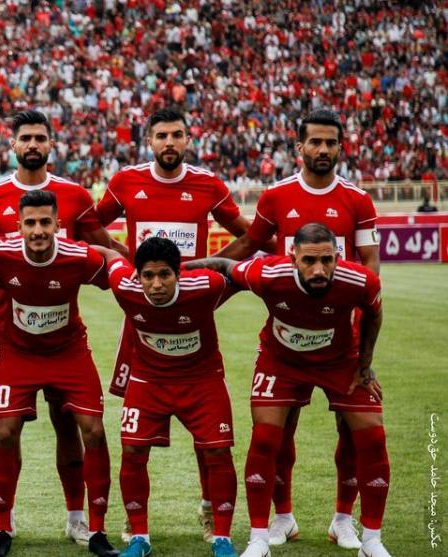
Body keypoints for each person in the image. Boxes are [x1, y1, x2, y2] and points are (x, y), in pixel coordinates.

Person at [215, 109, 381, 549]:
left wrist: (360, 339)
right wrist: (201, 294)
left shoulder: (358, 200)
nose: (323, 149)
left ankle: (343, 520)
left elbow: (369, 269)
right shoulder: (276, 196)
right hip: (287, 335)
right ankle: (282, 518)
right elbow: (248, 247)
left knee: (351, 429)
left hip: (341, 339)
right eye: (315, 142)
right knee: (279, 430)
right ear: (299, 147)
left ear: (340, 147)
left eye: (331, 142)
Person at [95, 107, 253, 543]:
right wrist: (128, 260)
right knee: (136, 434)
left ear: (188, 139)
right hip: (144, 313)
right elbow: (88, 225)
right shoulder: (126, 181)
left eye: (177, 134)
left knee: (208, 436)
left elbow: (250, 235)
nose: (169, 142)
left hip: (192, 306)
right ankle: (136, 521)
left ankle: (210, 509)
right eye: (161, 135)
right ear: (149, 140)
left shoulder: (207, 185)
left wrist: (206, 269)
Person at [188, 223, 390, 557]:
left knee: (373, 437)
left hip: (340, 361)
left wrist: (364, 366)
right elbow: (225, 266)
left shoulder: (359, 280)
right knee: (266, 438)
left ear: (338, 257)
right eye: (309, 260)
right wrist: (177, 270)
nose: (319, 269)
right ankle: (259, 539)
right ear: (292, 257)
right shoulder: (268, 274)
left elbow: (374, 314)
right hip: (281, 361)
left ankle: (371, 541)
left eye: (327, 260)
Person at [0, 110, 115, 545]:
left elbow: (105, 252)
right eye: (25, 138)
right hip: (11, 339)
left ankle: (80, 520)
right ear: (13, 144)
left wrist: (156, 269)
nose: (32, 144)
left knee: (72, 425)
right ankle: (3, 523)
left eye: (40, 137)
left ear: (51, 144)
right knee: (6, 430)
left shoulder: (74, 195)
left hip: (66, 341)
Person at [93, 237, 240, 557]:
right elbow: (108, 254)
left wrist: (200, 263)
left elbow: (235, 274)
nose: (156, 284)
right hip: (148, 382)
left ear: (178, 274)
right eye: (148, 275)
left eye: (165, 275)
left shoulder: (207, 286)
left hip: (202, 382)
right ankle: (139, 537)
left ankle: (222, 537)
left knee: (218, 452)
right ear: (138, 276)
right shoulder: (124, 286)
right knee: (132, 449)